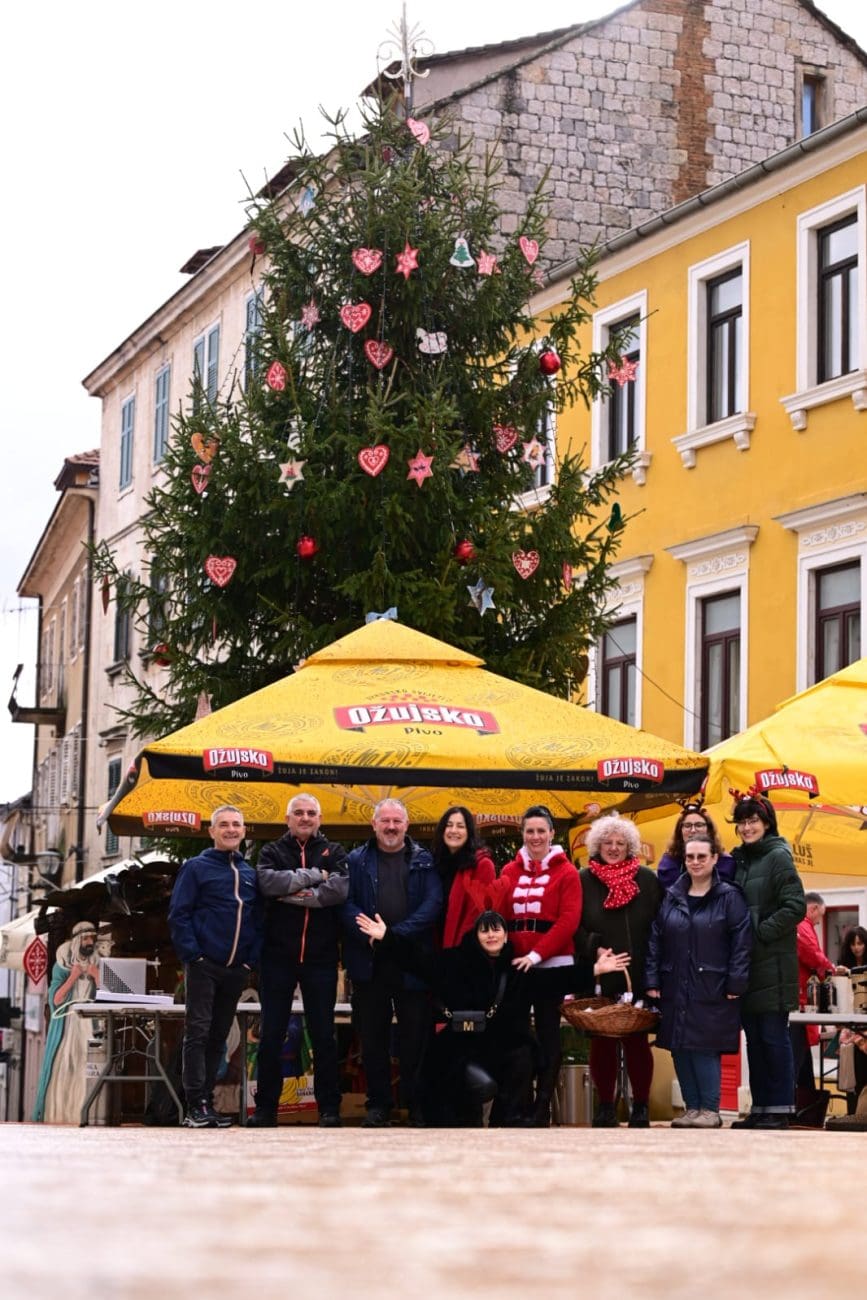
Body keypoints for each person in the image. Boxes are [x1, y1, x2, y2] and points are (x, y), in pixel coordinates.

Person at [355, 908, 630, 1126]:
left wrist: (594, 969)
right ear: (476, 935)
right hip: (461, 1044)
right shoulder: (453, 963)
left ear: (505, 935)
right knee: (445, 1074)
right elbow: (418, 959)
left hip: (503, 1045)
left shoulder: (516, 970)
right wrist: (387, 937)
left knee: (523, 1054)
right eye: (484, 931)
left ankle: (508, 1117)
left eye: (496, 930)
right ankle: (458, 1117)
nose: (490, 936)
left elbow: (554, 979)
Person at [341, 798, 442, 1127]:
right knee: (372, 1039)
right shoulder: (356, 860)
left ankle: (416, 1105)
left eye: (397, 821)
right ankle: (378, 1105)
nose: (391, 827)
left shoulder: (425, 860)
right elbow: (345, 904)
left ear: (406, 825)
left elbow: (433, 904)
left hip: (411, 961)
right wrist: (371, 936)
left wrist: (393, 936)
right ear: (374, 825)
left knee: (416, 1037)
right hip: (370, 962)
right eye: (384, 821)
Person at [482, 805, 583, 1126]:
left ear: (552, 833)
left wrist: (537, 955)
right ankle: (518, 1104)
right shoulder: (510, 871)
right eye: (530, 831)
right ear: (522, 835)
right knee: (517, 1036)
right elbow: (498, 914)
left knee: (550, 1034)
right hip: (516, 967)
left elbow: (569, 921)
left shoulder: (567, 872)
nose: (536, 837)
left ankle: (542, 1108)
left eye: (541, 831)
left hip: (552, 965)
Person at [252, 793, 349, 1128]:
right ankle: (265, 1109)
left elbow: (338, 891)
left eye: (311, 813)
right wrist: (314, 877)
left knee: (323, 1036)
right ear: (288, 818)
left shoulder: (334, 852)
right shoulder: (270, 851)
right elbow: (268, 883)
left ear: (319, 819)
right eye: (299, 813)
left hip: (321, 959)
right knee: (271, 1035)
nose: (305, 818)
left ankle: (329, 1109)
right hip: (277, 957)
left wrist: (291, 891)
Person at [646, 834, 753, 1127]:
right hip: (674, 982)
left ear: (715, 859)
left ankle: (710, 1110)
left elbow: (742, 942)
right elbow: (657, 939)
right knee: (679, 1045)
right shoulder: (672, 895)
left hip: (714, 985)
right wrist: (653, 978)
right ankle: (692, 1108)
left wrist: (736, 982)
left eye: (701, 857)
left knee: (705, 1045)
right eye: (690, 857)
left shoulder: (729, 896)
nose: (695, 862)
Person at [168, 805, 263, 1128]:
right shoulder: (196, 868)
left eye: (236, 824)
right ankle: (195, 1105)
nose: (231, 829)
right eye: (224, 824)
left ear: (244, 830)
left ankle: (206, 1101)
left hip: (236, 968)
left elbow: (258, 920)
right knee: (198, 1031)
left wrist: (249, 960)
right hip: (203, 965)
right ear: (212, 831)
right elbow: (178, 914)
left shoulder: (250, 873)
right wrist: (193, 955)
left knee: (219, 1035)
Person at [728, 789, 806, 1130]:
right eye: (742, 822)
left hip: (772, 964)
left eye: (753, 821)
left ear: (766, 822)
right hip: (747, 966)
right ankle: (761, 1107)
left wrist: (757, 932)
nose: (747, 827)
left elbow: (795, 906)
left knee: (774, 1037)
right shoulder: (741, 860)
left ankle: (780, 1109)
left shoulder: (778, 856)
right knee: (755, 1041)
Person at [578, 814, 662, 1128]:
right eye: (608, 842)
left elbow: (659, 926)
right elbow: (573, 923)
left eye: (620, 843)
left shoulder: (647, 879)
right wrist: (593, 948)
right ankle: (605, 1107)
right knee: (602, 1040)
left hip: (639, 972)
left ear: (630, 847)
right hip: (601, 972)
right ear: (597, 845)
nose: (614, 848)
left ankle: (641, 1106)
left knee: (637, 1040)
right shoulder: (583, 878)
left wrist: (654, 972)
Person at [33, 921, 102, 1123]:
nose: (90, 942)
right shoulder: (62, 966)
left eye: (92, 938)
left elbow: (109, 996)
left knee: (87, 1068)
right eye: (86, 938)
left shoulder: (98, 965)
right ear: (77, 941)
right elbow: (55, 1000)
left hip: (90, 1024)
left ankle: (85, 1113)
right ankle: (62, 1114)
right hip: (69, 1024)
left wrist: (97, 977)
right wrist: (72, 978)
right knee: (65, 1067)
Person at [790, 891, 846, 1123]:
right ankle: (798, 1110)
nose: (818, 921)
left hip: (801, 1001)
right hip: (803, 1002)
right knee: (797, 1057)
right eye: (819, 916)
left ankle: (804, 1111)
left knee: (802, 1061)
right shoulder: (803, 926)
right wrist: (831, 969)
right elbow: (812, 954)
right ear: (812, 909)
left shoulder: (798, 925)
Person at [431, 805, 496, 947]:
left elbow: (476, 915)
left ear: (469, 832)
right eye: (449, 825)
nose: (454, 830)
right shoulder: (436, 864)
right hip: (434, 949)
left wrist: (456, 954)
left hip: (464, 951)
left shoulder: (482, 865)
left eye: (460, 826)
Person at [656, 802, 735, 892]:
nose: (693, 830)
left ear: (708, 830)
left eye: (699, 825)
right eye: (687, 825)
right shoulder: (669, 863)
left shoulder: (724, 861)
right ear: (680, 830)